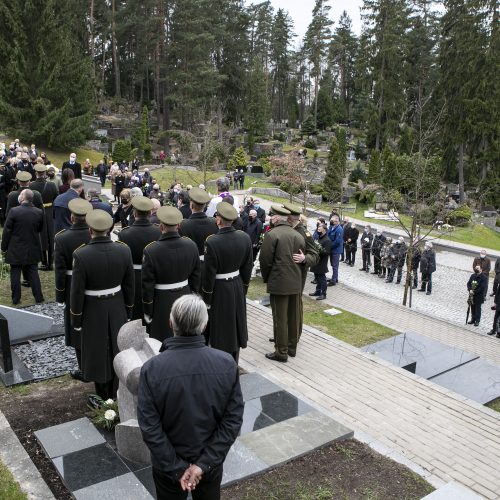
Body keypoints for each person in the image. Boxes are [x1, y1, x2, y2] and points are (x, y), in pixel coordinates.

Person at [138, 295, 243, 500]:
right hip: (209, 465)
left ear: (170, 323)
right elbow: (233, 420)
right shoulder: (226, 363)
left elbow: (150, 426)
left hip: (167, 468)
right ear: (204, 325)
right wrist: (203, 464)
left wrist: (177, 468)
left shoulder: (152, 369)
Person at [70, 209, 135, 400]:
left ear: (90, 230)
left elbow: (76, 292)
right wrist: (128, 309)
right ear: (110, 229)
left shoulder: (81, 255)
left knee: (97, 350)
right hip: (116, 305)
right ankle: (116, 392)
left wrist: (76, 318)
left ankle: (103, 394)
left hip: (93, 309)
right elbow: (129, 285)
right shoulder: (124, 249)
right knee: (117, 348)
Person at [202, 202, 252, 361]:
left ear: (218, 220)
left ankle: (219, 362)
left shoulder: (212, 241)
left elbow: (209, 274)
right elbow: (247, 267)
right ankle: (234, 360)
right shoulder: (244, 237)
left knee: (221, 326)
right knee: (235, 323)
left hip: (220, 289)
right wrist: (243, 288)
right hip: (237, 285)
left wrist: (207, 299)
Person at [142, 206, 200, 342]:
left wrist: (148, 310)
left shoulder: (151, 250)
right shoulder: (191, 245)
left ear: (161, 227)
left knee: (163, 341)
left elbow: (147, 285)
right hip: (185, 297)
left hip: (162, 302)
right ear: (179, 225)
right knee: (185, 337)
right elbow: (196, 276)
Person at [54, 199, 93, 379]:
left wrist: (60, 294)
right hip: (94, 282)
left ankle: (83, 366)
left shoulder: (62, 238)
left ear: (71, 217)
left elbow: (60, 270)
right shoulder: (95, 233)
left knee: (76, 325)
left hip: (71, 284)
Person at [259, 205, 305, 362]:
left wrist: (267, 278)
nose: (271, 218)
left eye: (272, 216)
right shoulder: (298, 235)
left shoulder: (272, 235)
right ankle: (292, 348)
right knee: (293, 317)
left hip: (279, 283)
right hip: (295, 282)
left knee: (280, 318)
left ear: (278, 218)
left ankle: (281, 352)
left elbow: (265, 261)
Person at [119, 197, 161, 321]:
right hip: (154, 277)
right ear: (150, 213)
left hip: (133, 277)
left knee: (134, 314)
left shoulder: (124, 234)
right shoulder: (158, 231)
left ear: (134, 213)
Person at [2, 189, 44, 305]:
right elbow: (40, 229)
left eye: (20, 195)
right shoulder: (39, 212)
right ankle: (39, 298)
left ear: (23, 198)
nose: (19, 196)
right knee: (33, 272)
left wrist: (3, 247)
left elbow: (7, 231)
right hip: (32, 246)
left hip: (16, 247)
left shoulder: (14, 211)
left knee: (15, 272)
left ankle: (16, 299)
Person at [178, 187, 218, 288]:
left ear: (191, 205)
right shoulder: (214, 222)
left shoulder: (183, 225)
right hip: (211, 266)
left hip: (190, 267)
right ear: (205, 206)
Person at [30, 164, 59, 270]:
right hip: (50, 211)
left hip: (37, 211)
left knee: (40, 236)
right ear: (45, 173)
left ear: (36, 173)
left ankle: (43, 261)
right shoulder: (51, 185)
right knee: (51, 237)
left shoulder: (31, 186)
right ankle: (51, 262)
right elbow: (56, 197)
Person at [309, 224, 332, 301]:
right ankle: (318, 291)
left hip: (322, 262)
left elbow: (327, 252)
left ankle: (323, 294)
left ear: (324, 230)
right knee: (317, 277)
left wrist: (319, 249)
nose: (318, 231)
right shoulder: (319, 238)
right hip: (316, 261)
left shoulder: (327, 240)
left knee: (322, 278)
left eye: (319, 230)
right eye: (317, 230)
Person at [327, 215, 344, 286]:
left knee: (335, 266)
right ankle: (335, 278)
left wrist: (330, 246)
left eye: (332, 221)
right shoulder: (331, 227)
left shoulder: (339, 229)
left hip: (336, 250)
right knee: (333, 264)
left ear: (336, 221)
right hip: (332, 249)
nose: (330, 222)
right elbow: (328, 235)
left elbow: (338, 241)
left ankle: (333, 281)